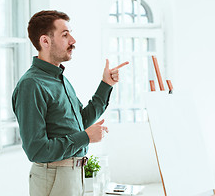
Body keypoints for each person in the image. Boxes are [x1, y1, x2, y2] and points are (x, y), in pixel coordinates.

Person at [12, 10, 128, 196]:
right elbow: (37, 150)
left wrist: (106, 84)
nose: (73, 40)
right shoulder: (31, 84)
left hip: (72, 175)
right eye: (65, 35)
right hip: (55, 177)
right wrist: (86, 137)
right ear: (45, 41)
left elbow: (81, 121)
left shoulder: (61, 80)